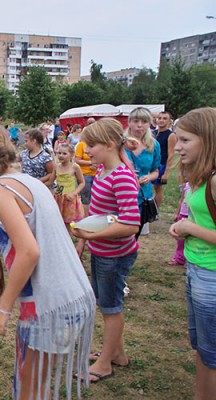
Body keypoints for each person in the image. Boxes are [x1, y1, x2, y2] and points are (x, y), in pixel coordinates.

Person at [0, 123, 95, 399]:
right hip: (75, 297)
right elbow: (29, 215)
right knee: (37, 383)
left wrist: (4, 307)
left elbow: (28, 252)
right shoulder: (29, 181)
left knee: (29, 389)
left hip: (50, 306)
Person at [71, 118, 140, 383]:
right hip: (102, 250)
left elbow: (131, 224)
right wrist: (85, 238)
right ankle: (117, 354)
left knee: (111, 308)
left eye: (92, 146)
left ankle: (104, 364)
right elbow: (103, 213)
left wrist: (92, 234)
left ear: (110, 145)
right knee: (106, 304)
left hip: (114, 254)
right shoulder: (102, 172)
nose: (86, 151)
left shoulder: (121, 177)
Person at [168, 107, 216, 400]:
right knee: (203, 347)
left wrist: (189, 227)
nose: (178, 146)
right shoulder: (202, 175)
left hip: (211, 278)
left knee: (211, 354)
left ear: (208, 139)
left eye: (185, 140)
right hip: (197, 271)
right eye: (177, 139)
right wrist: (187, 227)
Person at [124, 107, 161, 237]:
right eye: (136, 121)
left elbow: (156, 171)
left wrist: (149, 177)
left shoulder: (154, 145)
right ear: (129, 122)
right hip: (122, 194)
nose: (139, 125)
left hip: (143, 196)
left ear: (149, 123)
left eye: (144, 121)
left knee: (135, 234)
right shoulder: (120, 143)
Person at [73, 139, 96, 256]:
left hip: (96, 174)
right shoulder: (81, 145)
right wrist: (90, 164)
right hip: (85, 174)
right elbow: (77, 160)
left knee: (94, 200)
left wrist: (96, 165)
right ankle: (86, 221)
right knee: (86, 199)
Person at [54, 143, 85, 230]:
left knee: (68, 222)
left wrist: (74, 194)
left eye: (64, 153)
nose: (61, 155)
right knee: (59, 221)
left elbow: (82, 183)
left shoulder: (75, 167)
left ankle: (69, 239)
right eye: (59, 153)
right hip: (59, 197)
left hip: (69, 198)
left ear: (71, 155)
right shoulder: (56, 166)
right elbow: (50, 180)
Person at [152, 111, 176, 208]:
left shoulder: (170, 135)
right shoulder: (153, 133)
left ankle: (156, 210)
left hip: (161, 164)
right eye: (160, 118)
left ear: (169, 121)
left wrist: (166, 173)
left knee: (158, 188)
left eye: (164, 118)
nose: (161, 120)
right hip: (151, 164)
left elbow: (171, 155)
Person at [169, 179, 190, 266]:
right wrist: (177, 214)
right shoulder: (186, 185)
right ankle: (179, 258)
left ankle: (188, 259)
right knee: (180, 240)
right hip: (183, 215)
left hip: (192, 217)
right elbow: (181, 200)